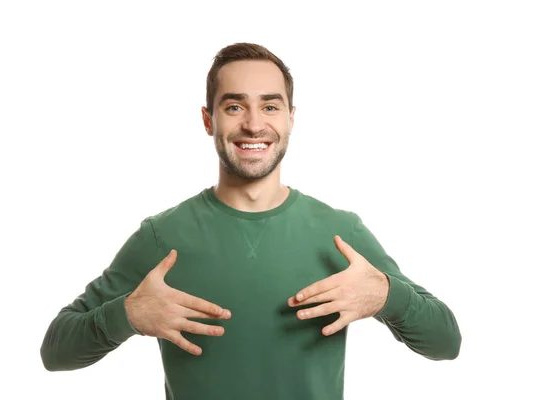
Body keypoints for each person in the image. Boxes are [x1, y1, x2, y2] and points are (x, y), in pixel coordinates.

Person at [40, 42, 461, 400]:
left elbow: (446, 343)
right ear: (209, 120)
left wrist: (387, 296)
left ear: (290, 119)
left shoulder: (340, 234)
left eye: (270, 106)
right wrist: (128, 315)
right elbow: (55, 353)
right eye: (235, 105)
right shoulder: (161, 237)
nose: (254, 123)